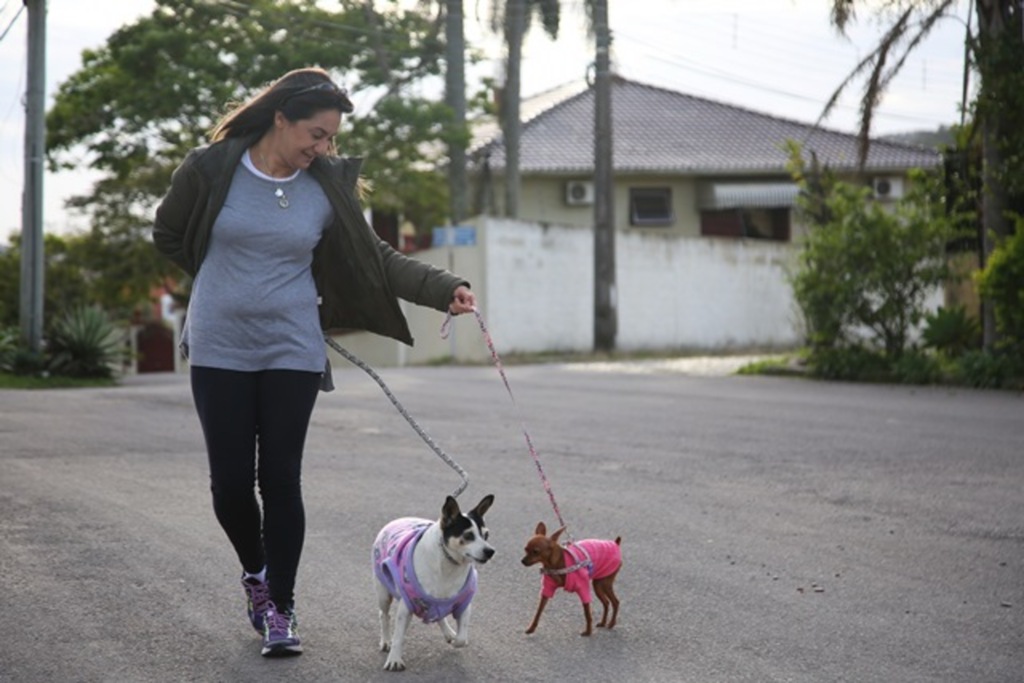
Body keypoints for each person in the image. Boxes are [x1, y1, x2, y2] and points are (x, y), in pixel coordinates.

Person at [152, 67, 476, 657]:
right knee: (229, 485)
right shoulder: (210, 167)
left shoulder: (325, 186)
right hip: (220, 345)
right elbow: (170, 234)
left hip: (292, 349)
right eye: (316, 135)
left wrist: (441, 286)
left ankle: (280, 605)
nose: (323, 148)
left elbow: (374, 255)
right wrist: (225, 280)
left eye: (330, 139)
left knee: (279, 478)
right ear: (281, 118)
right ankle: (255, 573)